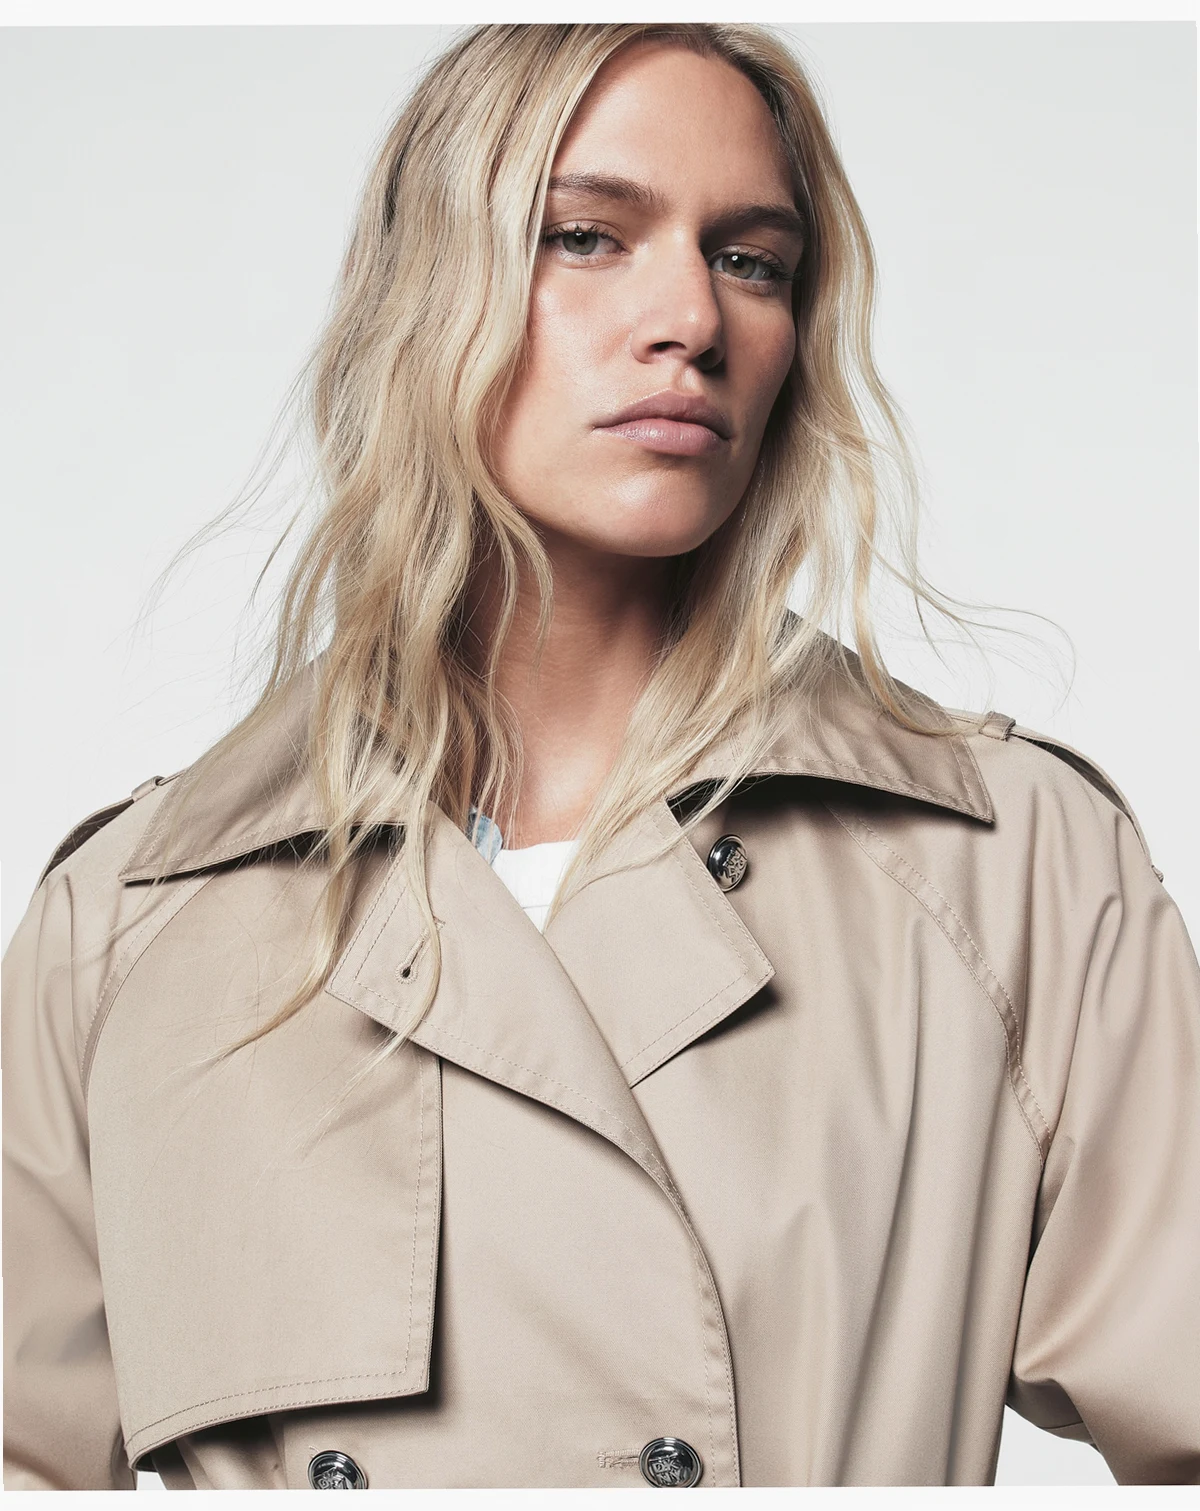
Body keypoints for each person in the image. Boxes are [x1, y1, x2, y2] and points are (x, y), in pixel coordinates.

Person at [3, 22, 1198, 1492]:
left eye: (751, 260)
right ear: (424, 289)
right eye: (586, 236)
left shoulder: (1007, 871)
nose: (691, 316)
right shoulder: (127, 928)